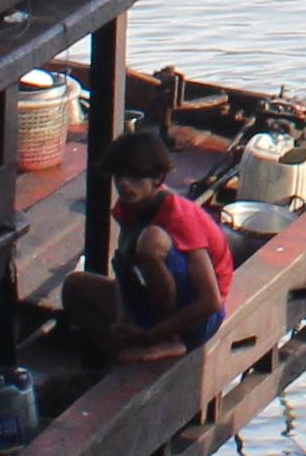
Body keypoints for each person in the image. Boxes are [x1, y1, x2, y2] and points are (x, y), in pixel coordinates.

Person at [60, 125, 241, 362]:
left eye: (135, 177)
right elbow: (124, 272)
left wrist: (152, 334)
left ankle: (168, 341)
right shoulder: (127, 209)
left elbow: (210, 301)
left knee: (150, 242)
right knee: (74, 286)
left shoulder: (179, 216)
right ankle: (117, 355)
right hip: (159, 307)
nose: (125, 184)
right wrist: (123, 319)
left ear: (157, 178)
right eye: (120, 175)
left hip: (197, 321)